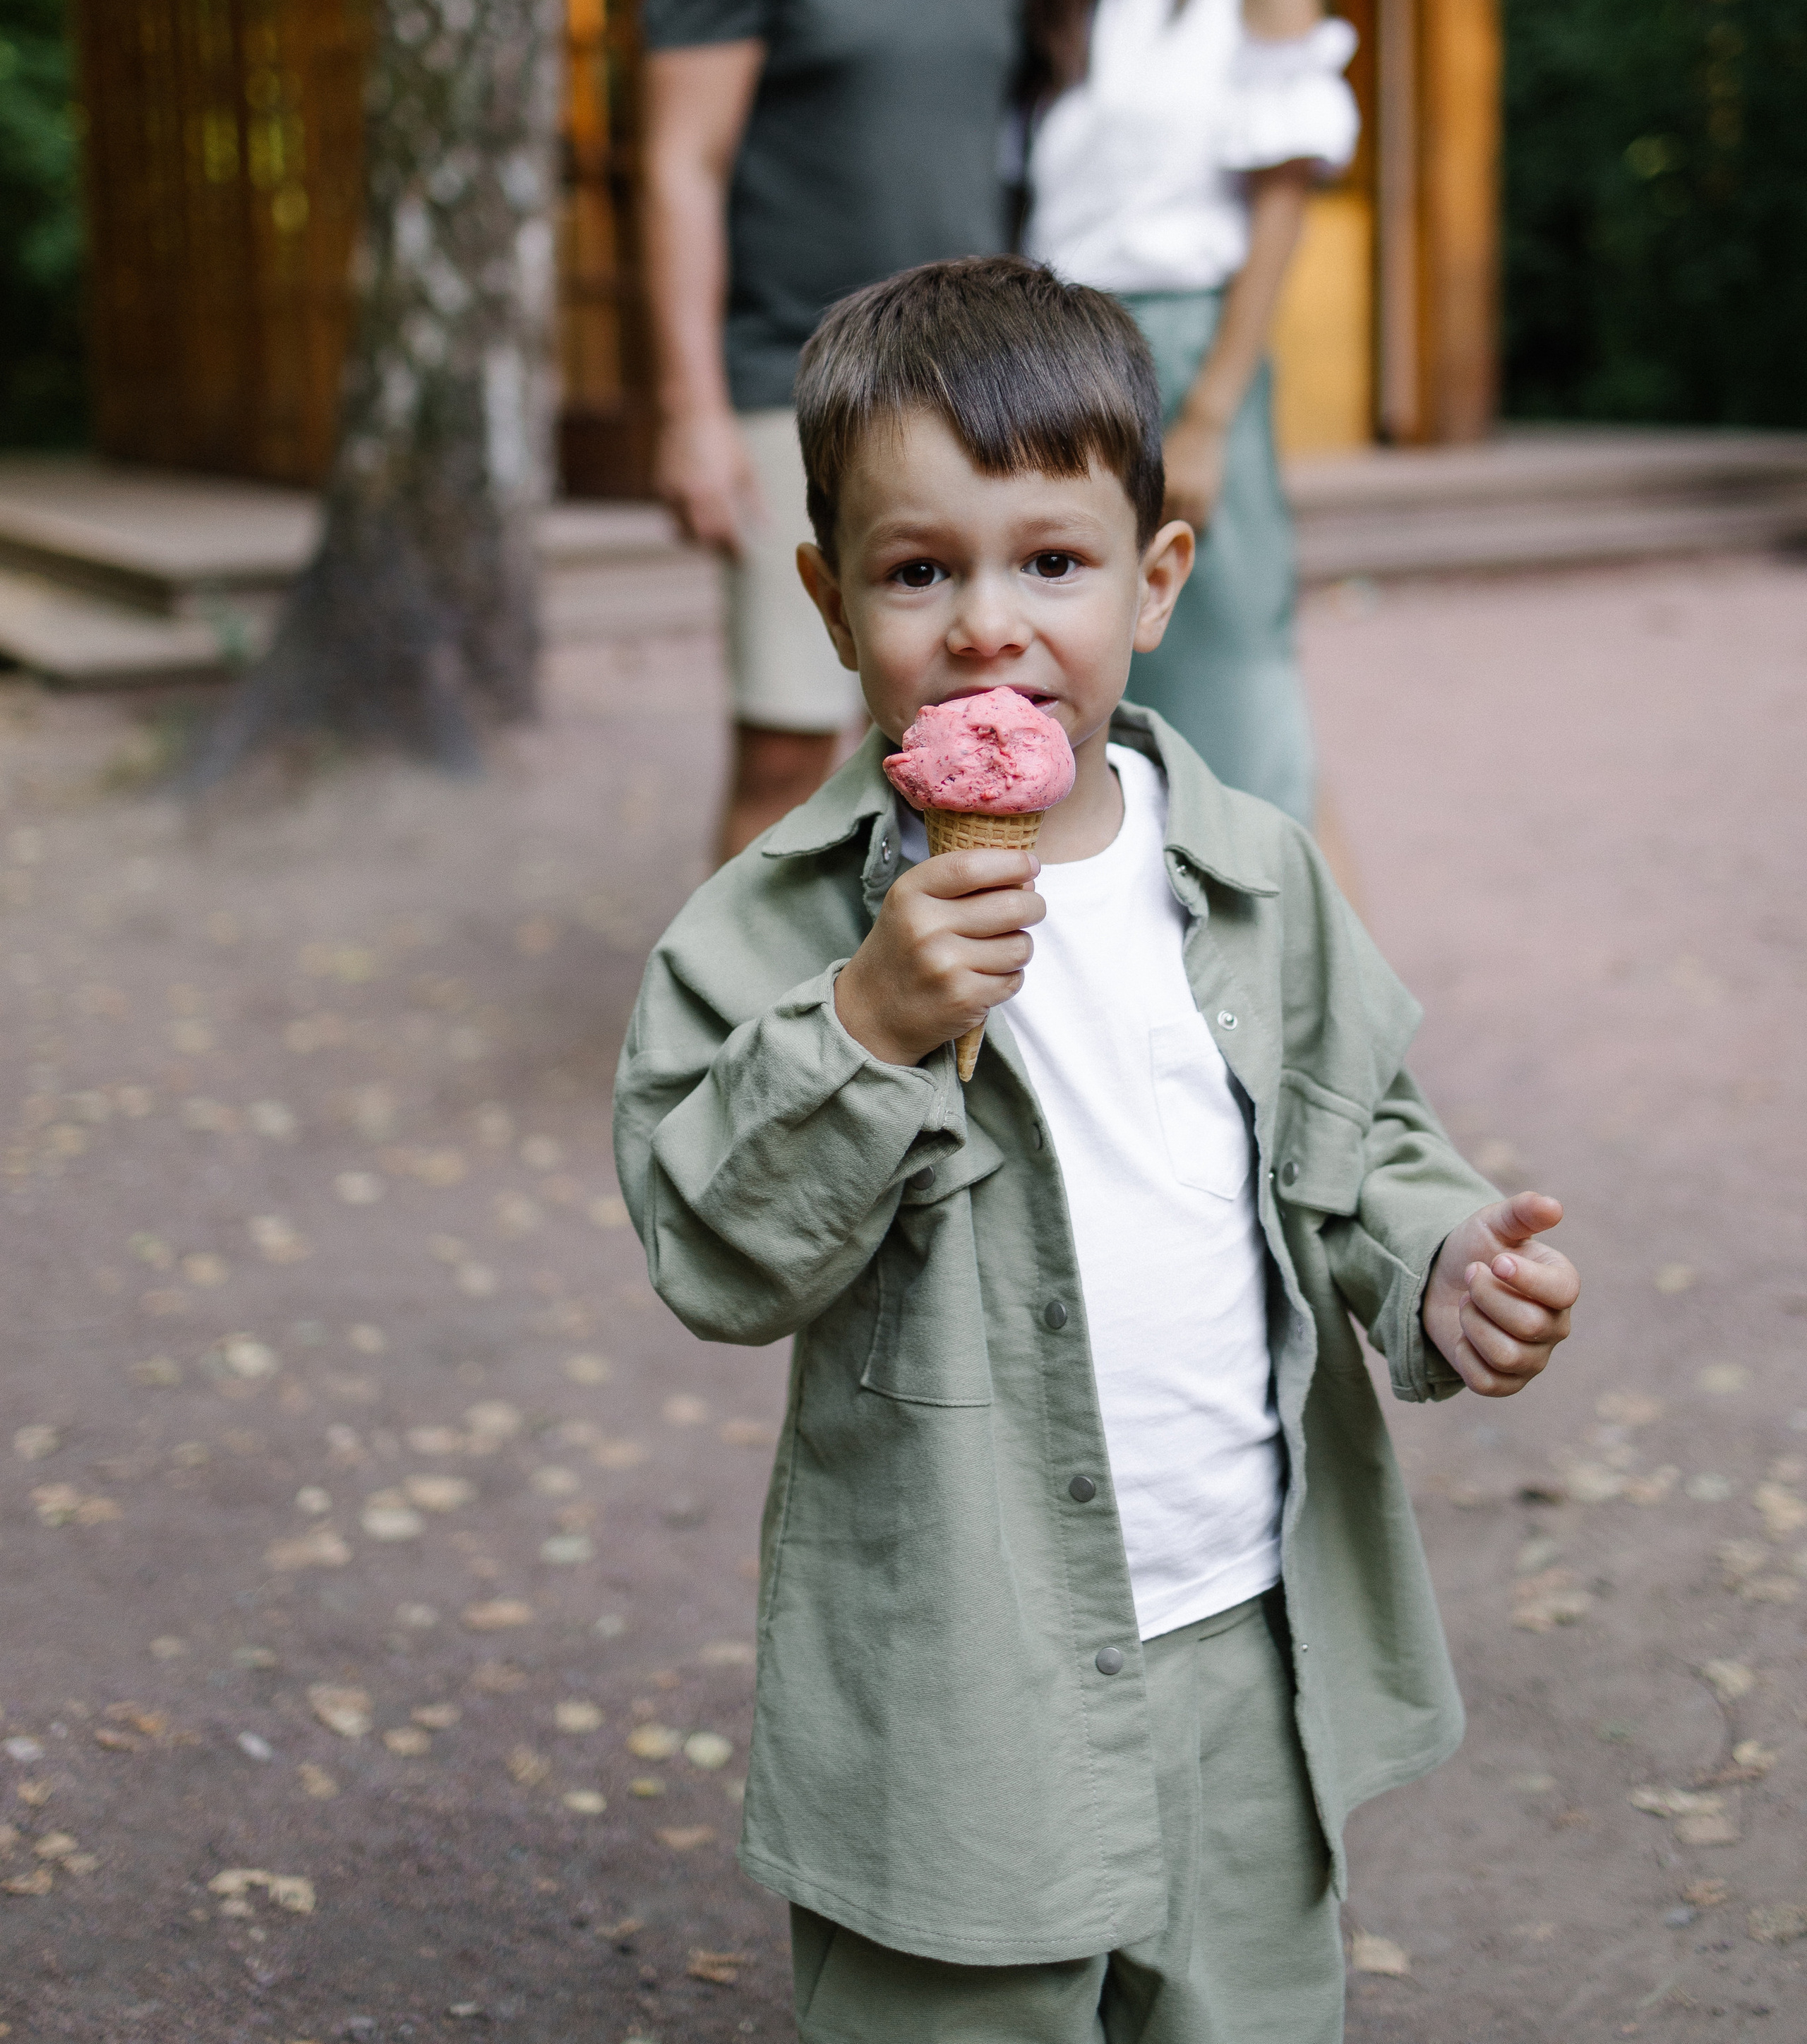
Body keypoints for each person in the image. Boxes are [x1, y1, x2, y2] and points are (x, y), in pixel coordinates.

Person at [615, 257, 1580, 2040]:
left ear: (1154, 583)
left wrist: (1440, 1265)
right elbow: (714, 1257)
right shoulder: (773, 929)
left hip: (1243, 1630)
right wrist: (863, 1028)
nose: (987, 627)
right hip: (953, 1676)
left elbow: (1358, 1135)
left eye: (1051, 563)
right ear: (830, 602)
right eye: (919, 572)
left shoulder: (1257, 874)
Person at [640, 0, 1035, 862]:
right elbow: (681, 166)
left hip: (971, 394)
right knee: (785, 745)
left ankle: (915, 981)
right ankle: (727, 995)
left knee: (959, 741)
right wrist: (692, 411)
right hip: (791, 388)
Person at [1025, 0, 1359, 826]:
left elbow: (1280, 207)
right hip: (1062, 368)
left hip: (1185, 354)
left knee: (1238, 703)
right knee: (1102, 706)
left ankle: (1313, 948)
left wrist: (1209, 413)